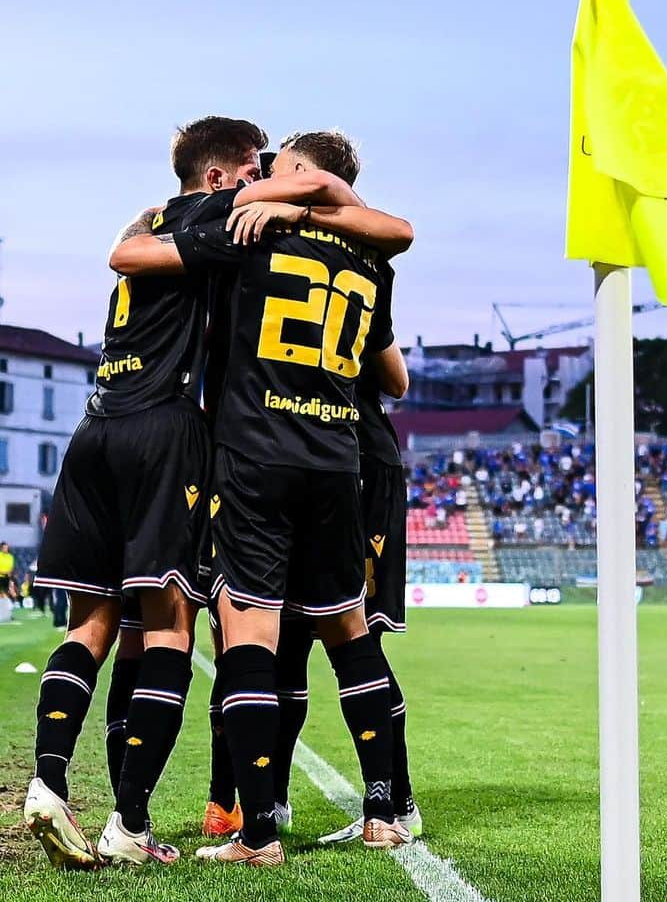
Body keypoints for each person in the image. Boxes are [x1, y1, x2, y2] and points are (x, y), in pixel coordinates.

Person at [23, 116, 381, 871]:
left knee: (92, 625)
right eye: (253, 173)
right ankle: (129, 822)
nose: (262, 186)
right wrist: (297, 201)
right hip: (171, 436)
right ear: (219, 179)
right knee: (171, 630)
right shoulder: (223, 222)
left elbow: (125, 251)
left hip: (95, 427)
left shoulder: (154, 217)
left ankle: (48, 782)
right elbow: (349, 204)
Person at [112, 131, 412, 867]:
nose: (265, 177)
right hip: (337, 459)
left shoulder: (254, 230)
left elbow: (149, 262)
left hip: (254, 452)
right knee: (348, 632)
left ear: (300, 173)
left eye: (275, 169)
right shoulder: (372, 255)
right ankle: (384, 811)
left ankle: (258, 834)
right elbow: (387, 363)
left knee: (248, 635)